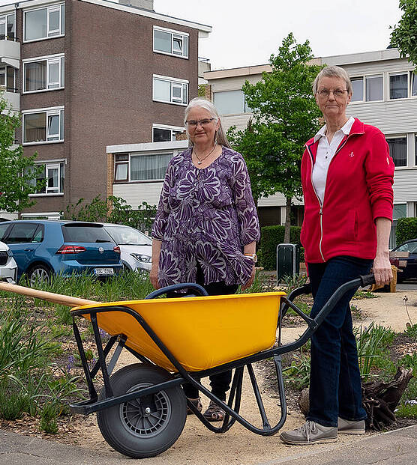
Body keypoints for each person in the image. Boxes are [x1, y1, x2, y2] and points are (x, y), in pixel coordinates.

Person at [280, 66, 394, 445]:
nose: (332, 98)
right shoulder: (312, 148)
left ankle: (323, 419)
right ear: (317, 97)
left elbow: (382, 195)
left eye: (338, 91)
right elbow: (312, 207)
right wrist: (305, 253)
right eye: (324, 91)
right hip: (319, 253)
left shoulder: (369, 138)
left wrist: (381, 254)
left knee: (322, 325)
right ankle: (352, 415)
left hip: (354, 249)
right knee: (340, 330)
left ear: (349, 96)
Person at [150, 97, 260, 422]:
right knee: (183, 332)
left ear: (216, 125)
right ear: (187, 128)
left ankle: (218, 396)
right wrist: (155, 264)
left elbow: (247, 213)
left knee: (217, 332)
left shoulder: (233, 162)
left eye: (204, 121)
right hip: (177, 263)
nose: (198, 127)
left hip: (222, 263)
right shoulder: (176, 164)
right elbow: (162, 215)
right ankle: (189, 393)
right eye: (192, 122)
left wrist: (249, 260)